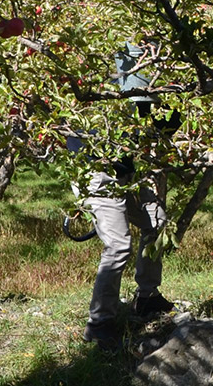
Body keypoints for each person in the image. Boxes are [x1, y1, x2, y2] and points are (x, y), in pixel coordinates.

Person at [69, 44, 180, 351]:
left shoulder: (151, 98)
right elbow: (80, 150)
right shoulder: (99, 101)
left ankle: (147, 297)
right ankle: (99, 321)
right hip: (100, 173)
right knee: (119, 245)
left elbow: (168, 123)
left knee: (156, 223)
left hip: (130, 170)